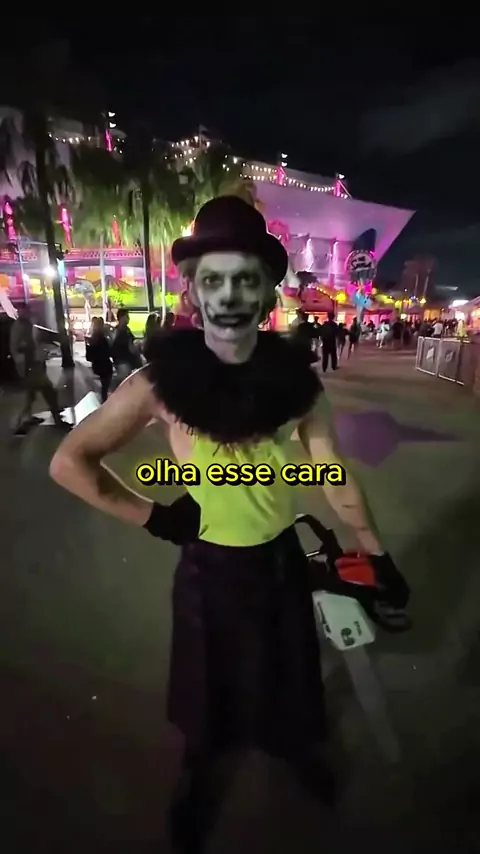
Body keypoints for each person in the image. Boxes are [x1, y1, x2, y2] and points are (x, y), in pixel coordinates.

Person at [49, 196, 400, 853]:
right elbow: (69, 462)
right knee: (207, 690)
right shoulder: (159, 385)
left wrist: (375, 553)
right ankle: (201, 771)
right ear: (192, 290)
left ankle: (293, 748)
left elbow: (331, 475)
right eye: (213, 278)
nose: (230, 295)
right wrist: (153, 516)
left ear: (267, 292)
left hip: (282, 559)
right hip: (208, 565)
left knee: (289, 673)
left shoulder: (300, 388)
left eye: (245, 279)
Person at [10, 303, 70, 436]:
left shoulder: (26, 324)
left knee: (31, 398)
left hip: (32, 366)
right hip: (31, 366)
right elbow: (20, 347)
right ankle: (55, 419)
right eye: (23, 311)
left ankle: (20, 422)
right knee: (48, 392)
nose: (26, 313)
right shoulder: (21, 326)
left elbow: (34, 341)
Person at [86, 316, 113, 403]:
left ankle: (103, 399)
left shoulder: (93, 339)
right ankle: (104, 400)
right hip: (104, 366)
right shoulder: (103, 338)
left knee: (104, 387)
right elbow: (109, 351)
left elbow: (89, 356)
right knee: (105, 386)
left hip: (97, 365)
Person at [111, 308, 142, 382]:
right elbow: (130, 346)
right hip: (123, 362)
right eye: (127, 316)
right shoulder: (120, 331)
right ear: (122, 317)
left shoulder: (125, 329)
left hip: (125, 361)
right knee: (125, 381)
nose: (128, 319)